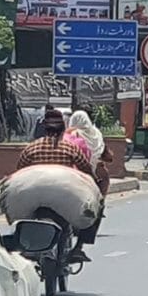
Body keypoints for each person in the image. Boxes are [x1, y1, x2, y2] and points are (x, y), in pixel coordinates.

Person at [16, 110, 100, 262]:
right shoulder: (70, 148)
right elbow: (85, 168)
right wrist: (93, 181)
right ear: (63, 129)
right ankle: (78, 247)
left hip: (37, 196)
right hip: (64, 196)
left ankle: (26, 246)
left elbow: (20, 170)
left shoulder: (31, 148)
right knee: (95, 206)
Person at [65, 110, 112, 198]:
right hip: (96, 167)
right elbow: (102, 149)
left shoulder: (73, 133)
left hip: (78, 166)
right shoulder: (96, 132)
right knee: (104, 180)